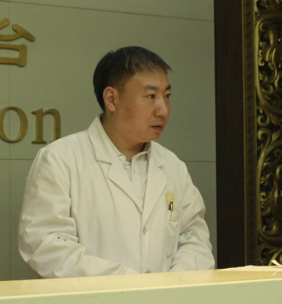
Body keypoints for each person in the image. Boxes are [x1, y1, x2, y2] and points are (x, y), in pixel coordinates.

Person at [18, 46, 214, 278]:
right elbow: (46, 244)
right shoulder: (61, 159)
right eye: (151, 96)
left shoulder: (173, 166)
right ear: (111, 99)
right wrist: (125, 282)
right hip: (95, 300)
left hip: (167, 299)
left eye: (167, 96)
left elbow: (193, 237)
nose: (163, 110)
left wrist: (175, 281)